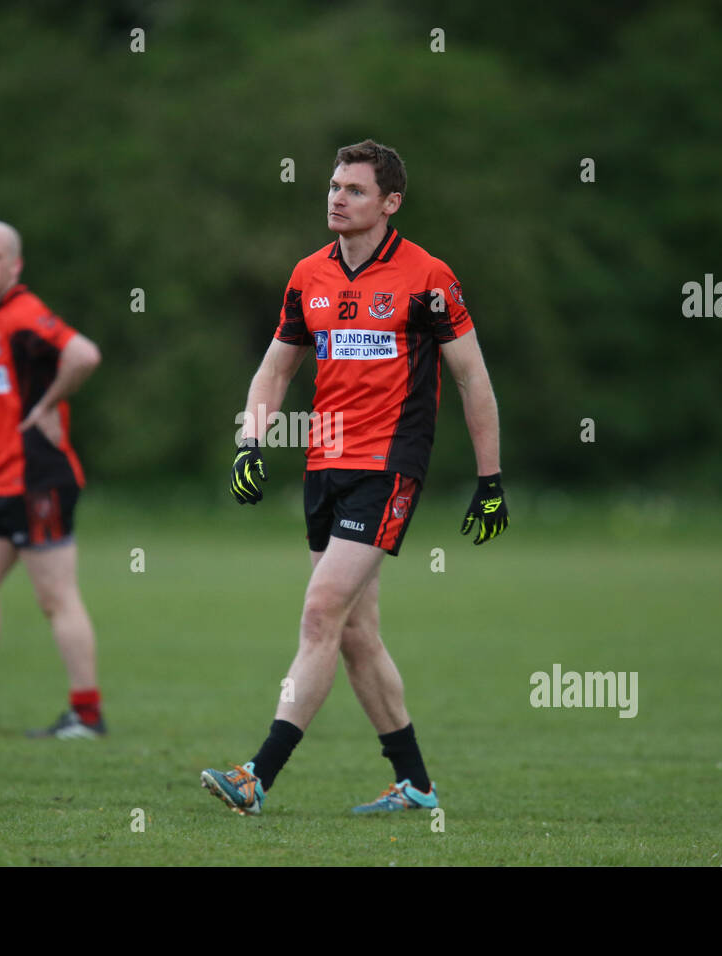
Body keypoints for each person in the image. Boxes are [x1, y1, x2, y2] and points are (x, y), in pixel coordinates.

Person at [202, 140, 508, 815]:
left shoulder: (427, 277)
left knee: (319, 612)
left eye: (355, 190)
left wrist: (490, 480)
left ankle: (257, 775)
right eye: (334, 186)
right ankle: (416, 784)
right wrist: (251, 442)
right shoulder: (309, 274)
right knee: (355, 635)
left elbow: (472, 378)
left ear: (390, 202)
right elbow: (275, 369)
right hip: (324, 467)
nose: (338, 198)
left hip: (388, 469)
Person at [0, 221, 105, 739]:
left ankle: (86, 714)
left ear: (14, 266)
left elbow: (84, 354)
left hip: (42, 479)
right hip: (5, 482)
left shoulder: (21, 315)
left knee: (56, 597)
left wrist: (48, 403)